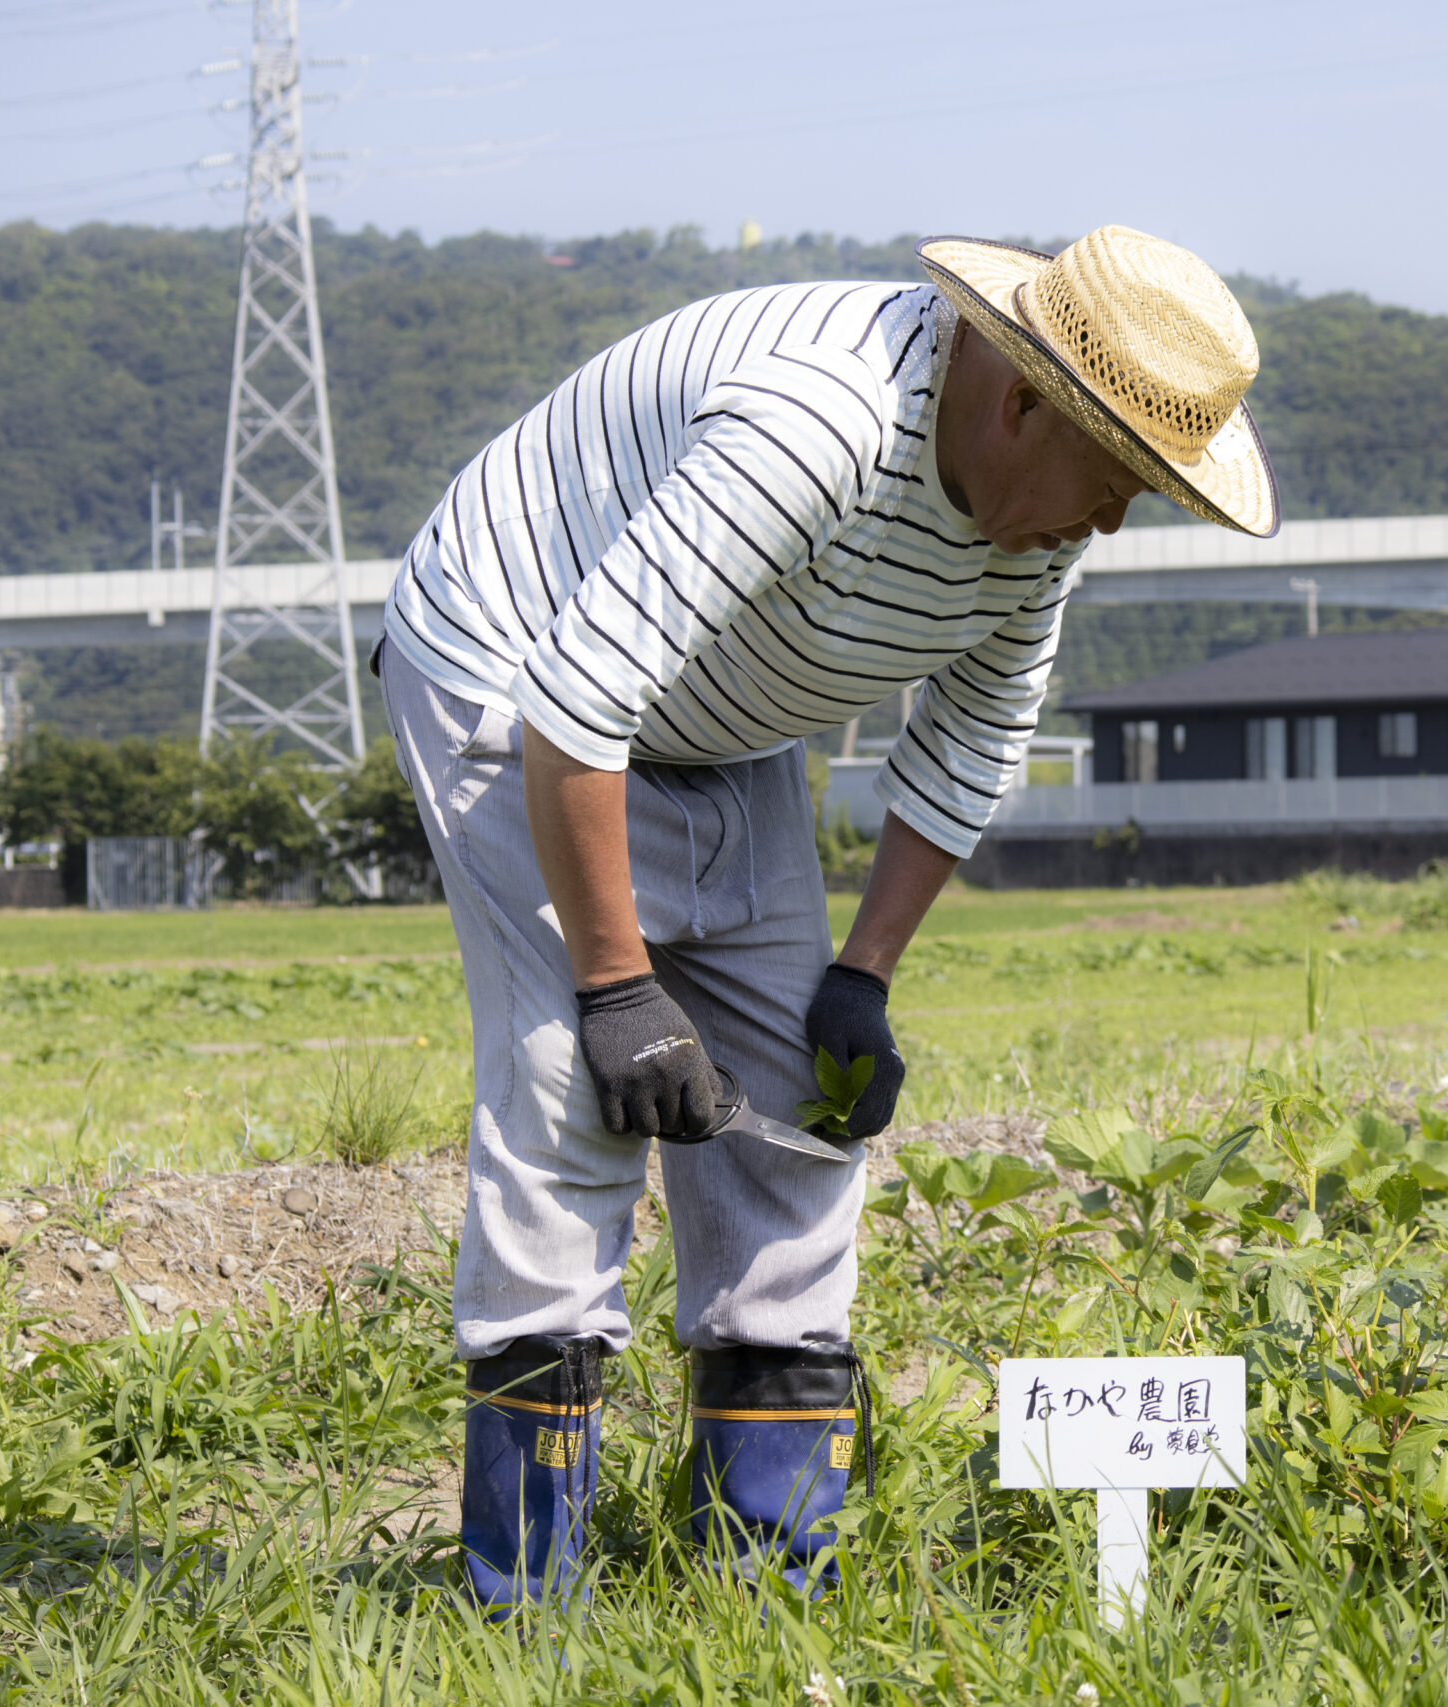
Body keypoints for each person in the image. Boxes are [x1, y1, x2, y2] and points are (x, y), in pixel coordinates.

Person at [376, 225, 1280, 1608]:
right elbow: (580, 702)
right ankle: (523, 1607)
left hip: (724, 704)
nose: (1108, 524)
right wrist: (618, 986)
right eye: (1112, 483)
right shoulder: (819, 424)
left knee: (798, 1101)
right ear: (1022, 399)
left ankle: (766, 1587)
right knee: (572, 1092)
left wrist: (861, 973)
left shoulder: (1032, 516)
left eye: (1140, 497)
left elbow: (973, 738)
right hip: (517, 667)